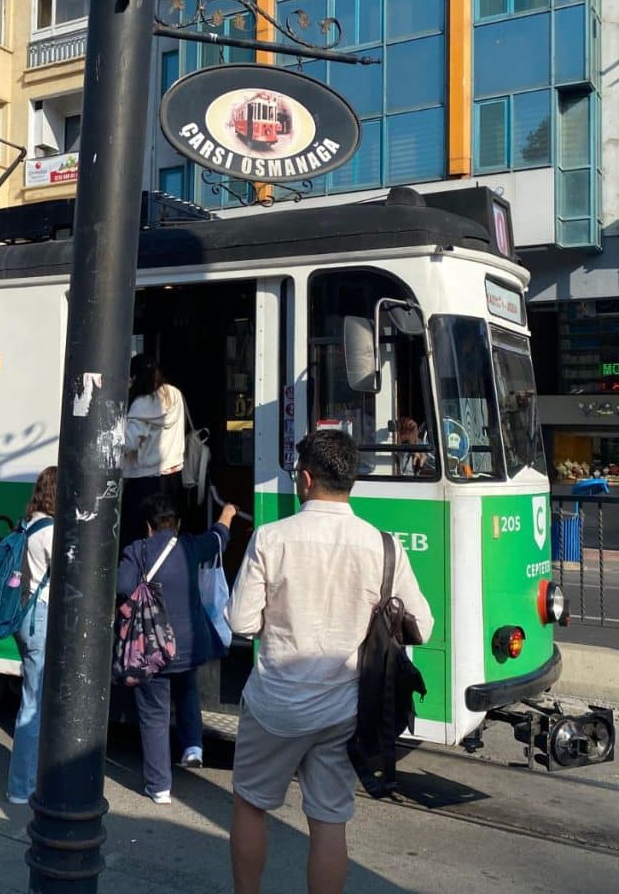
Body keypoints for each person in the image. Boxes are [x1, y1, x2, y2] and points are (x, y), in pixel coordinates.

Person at [227, 430, 434, 894]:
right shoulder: (383, 546)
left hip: (275, 705)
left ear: (305, 479)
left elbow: (241, 622)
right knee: (328, 821)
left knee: (249, 803)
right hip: (344, 708)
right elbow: (424, 623)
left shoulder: (271, 539)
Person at [117, 493, 237, 805]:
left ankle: (159, 787)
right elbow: (218, 538)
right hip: (190, 646)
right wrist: (227, 514)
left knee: (155, 714)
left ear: (147, 526)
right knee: (187, 690)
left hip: (154, 647)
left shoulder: (137, 551)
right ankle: (193, 746)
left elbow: (121, 586)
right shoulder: (190, 546)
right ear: (178, 524)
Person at [6, 466, 57, 805]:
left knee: (33, 698)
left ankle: (33, 775)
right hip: (41, 615)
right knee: (33, 705)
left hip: (23, 615)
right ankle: (21, 788)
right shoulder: (51, 530)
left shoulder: (27, 524)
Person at [120, 355, 187, 550]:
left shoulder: (142, 403)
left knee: (136, 540)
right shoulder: (175, 395)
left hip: (145, 482)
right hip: (173, 478)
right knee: (168, 539)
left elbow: (129, 443)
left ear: (134, 377)